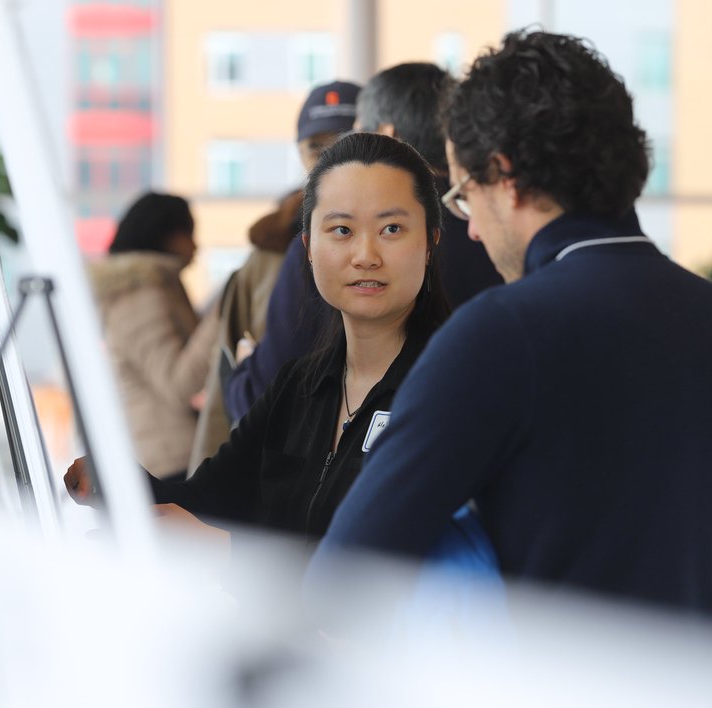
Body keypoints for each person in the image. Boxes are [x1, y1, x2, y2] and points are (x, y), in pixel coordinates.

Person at [311, 31, 712, 626]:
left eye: (463, 196)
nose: (470, 230)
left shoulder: (503, 332)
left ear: (506, 177)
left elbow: (343, 578)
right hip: (683, 706)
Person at [65, 133, 449, 544]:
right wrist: (121, 483)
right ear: (308, 247)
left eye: (392, 228)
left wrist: (229, 554)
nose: (366, 255)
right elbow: (205, 501)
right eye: (341, 230)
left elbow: (384, 565)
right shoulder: (298, 386)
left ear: (430, 242)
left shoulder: (450, 387)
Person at [223, 62, 502, 423]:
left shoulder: (330, 242)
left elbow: (266, 401)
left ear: (386, 135)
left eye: (357, 137)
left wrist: (243, 373)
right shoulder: (494, 232)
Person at [187, 80, 361, 468]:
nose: (328, 157)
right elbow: (248, 386)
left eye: (344, 139)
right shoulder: (270, 252)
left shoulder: (408, 238)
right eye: (316, 146)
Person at [88, 192, 203, 481]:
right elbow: (179, 384)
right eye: (189, 233)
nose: (195, 245)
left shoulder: (153, 286)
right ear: (166, 236)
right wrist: (221, 318)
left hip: (165, 456)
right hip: (167, 460)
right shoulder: (139, 293)